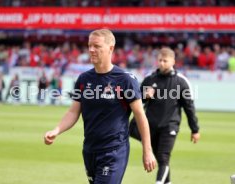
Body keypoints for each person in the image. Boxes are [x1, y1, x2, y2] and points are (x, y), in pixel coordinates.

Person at [44, 29, 156, 184]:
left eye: (96, 46)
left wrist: (147, 151)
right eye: (89, 45)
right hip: (89, 150)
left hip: (114, 152)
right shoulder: (84, 79)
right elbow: (73, 112)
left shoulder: (125, 80)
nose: (91, 50)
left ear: (110, 48)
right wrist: (56, 130)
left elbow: (140, 115)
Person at [140, 47, 200, 184]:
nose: (161, 63)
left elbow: (189, 107)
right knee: (161, 159)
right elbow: (137, 101)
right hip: (151, 127)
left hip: (170, 126)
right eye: (160, 60)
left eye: (165, 61)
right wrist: (145, 95)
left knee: (163, 157)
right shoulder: (149, 79)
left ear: (173, 61)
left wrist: (195, 129)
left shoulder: (181, 81)